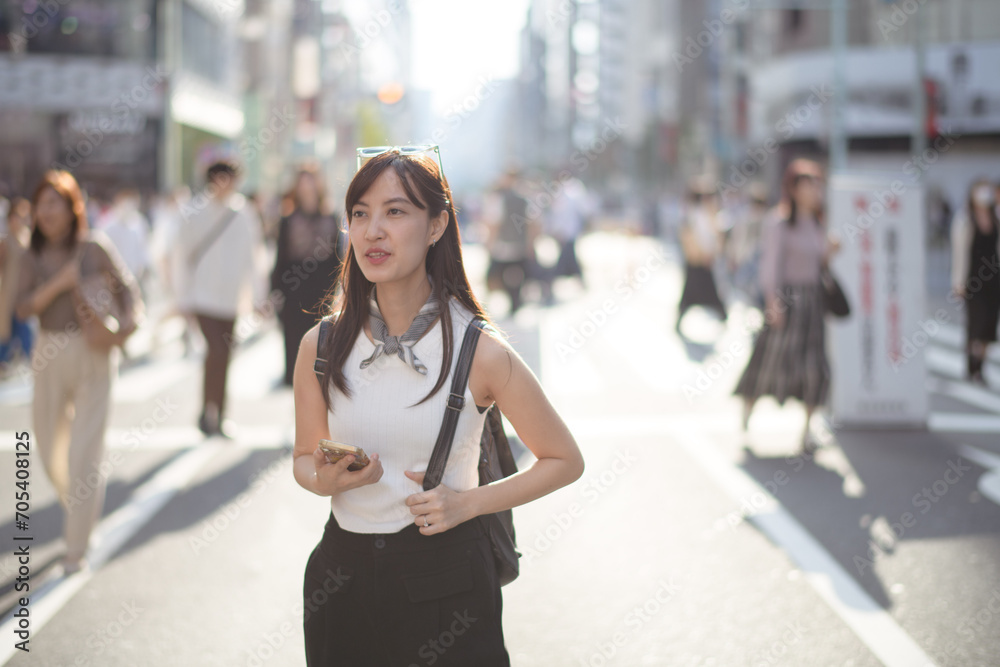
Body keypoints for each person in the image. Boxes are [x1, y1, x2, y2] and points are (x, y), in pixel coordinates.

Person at [292, 146, 584, 666]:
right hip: (341, 578)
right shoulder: (321, 344)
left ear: (436, 226)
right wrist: (325, 480)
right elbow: (302, 458)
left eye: (395, 211)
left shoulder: (481, 350)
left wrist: (468, 503)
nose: (372, 230)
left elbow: (565, 459)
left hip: (449, 583)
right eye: (360, 213)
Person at [15, 170, 143, 573]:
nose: (46, 212)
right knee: (49, 446)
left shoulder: (94, 246)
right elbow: (21, 309)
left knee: (84, 452)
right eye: (41, 204)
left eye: (55, 203)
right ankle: (81, 515)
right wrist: (59, 284)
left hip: (94, 352)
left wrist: (125, 328)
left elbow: (130, 293)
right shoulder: (29, 253)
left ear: (73, 209)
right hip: (48, 352)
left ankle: (76, 547)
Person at [734, 159, 838, 451]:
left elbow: (819, 266)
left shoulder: (817, 223)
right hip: (786, 302)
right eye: (808, 185)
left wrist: (830, 253)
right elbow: (770, 266)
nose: (814, 190)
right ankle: (748, 408)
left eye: (816, 184)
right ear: (793, 189)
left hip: (812, 303)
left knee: (816, 369)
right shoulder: (778, 222)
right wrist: (773, 302)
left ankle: (807, 431)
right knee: (770, 361)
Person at [176, 161, 265, 437]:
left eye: (231, 179)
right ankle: (208, 412)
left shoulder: (244, 213)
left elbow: (255, 257)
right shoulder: (195, 213)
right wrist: (183, 299)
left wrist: (259, 297)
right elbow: (181, 257)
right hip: (202, 298)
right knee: (216, 351)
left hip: (231, 300)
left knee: (224, 355)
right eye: (220, 178)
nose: (225, 184)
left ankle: (218, 413)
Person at [271, 165, 342, 387]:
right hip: (294, 290)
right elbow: (280, 259)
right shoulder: (288, 219)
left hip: (323, 290)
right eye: (302, 183)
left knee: (322, 347)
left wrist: (337, 291)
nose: (307, 188)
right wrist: (275, 292)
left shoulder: (331, 217)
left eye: (311, 181)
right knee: (295, 346)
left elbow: (338, 258)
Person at [950, 179, 1000, 385]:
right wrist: (958, 282)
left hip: (995, 280)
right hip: (973, 281)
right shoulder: (965, 218)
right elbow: (959, 253)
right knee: (976, 324)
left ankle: (980, 365)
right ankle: (972, 366)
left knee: (989, 325)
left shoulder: (996, 216)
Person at [676, 177, 727, 333]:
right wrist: (699, 255)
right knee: (690, 293)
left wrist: (712, 254)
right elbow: (688, 237)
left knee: (711, 292)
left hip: (707, 261)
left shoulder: (712, 215)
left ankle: (723, 315)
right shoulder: (693, 214)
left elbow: (717, 238)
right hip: (696, 261)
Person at [484, 169, 536, 315]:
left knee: (494, 276)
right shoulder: (525, 198)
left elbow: (494, 223)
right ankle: (515, 303)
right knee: (516, 276)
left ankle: (495, 304)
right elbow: (534, 224)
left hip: (502, 246)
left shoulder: (499, 198)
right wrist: (530, 244)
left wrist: (489, 243)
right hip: (519, 246)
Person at [1, 197, 34, 369]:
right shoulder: (5, 241)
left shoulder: (27, 238)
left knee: (23, 333)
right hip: (8, 295)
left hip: (24, 296)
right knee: (9, 335)